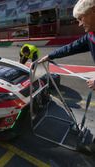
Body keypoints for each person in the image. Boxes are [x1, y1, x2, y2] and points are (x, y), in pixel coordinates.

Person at [38, 0, 95, 154]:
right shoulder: (91, 35)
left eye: (81, 18)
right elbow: (73, 47)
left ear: (93, 12)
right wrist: (50, 55)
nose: (79, 24)